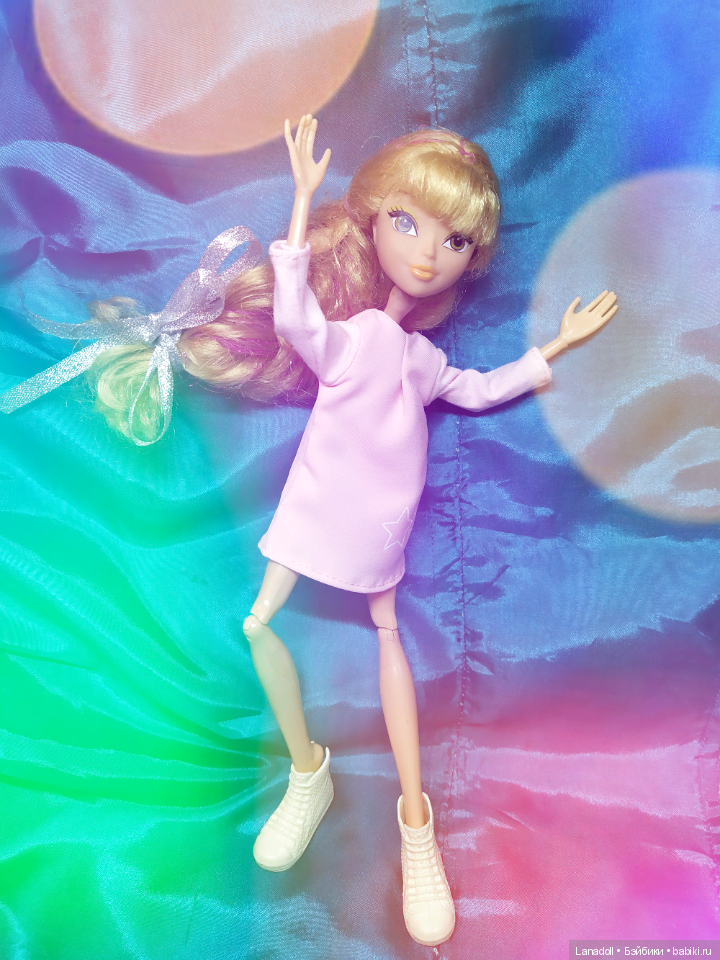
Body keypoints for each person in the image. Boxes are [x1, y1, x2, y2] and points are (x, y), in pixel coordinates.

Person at [0, 115, 617, 947]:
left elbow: (476, 389)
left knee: (388, 641)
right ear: (373, 221)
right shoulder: (354, 339)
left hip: (381, 524)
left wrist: (554, 348)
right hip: (315, 505)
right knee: (258, 622)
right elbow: (296, 324)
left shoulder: (421, 359)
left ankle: (416, 825)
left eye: (455, 241)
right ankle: (308, 770)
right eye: (407, 222)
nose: (428, 255)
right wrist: (297, 202)